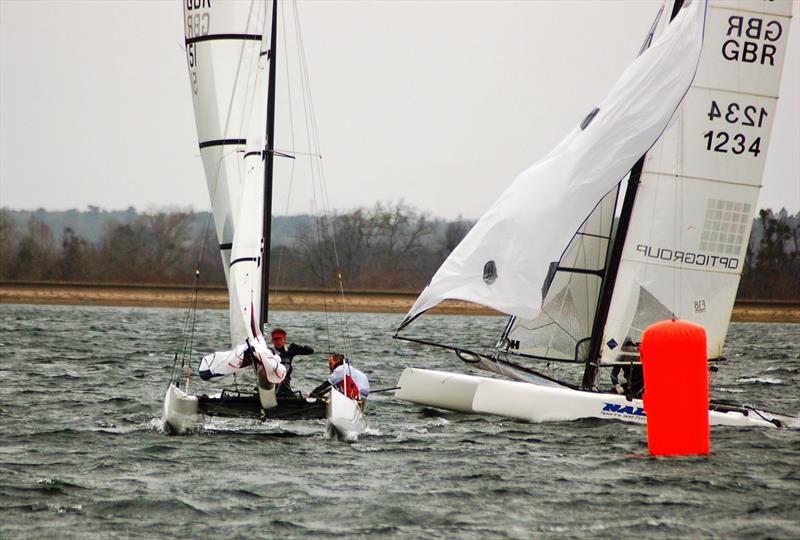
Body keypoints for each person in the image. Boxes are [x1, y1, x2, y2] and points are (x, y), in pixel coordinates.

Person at [269, 328, 314, 398]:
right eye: (275, 339)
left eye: (280, 339)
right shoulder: (269, 352)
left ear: (284, 339)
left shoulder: (290, 350)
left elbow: (310, 351)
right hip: (271, 385)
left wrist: (298, 347)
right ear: (272, 341)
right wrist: (283, 355)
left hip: (285, 385)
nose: (278, 341)